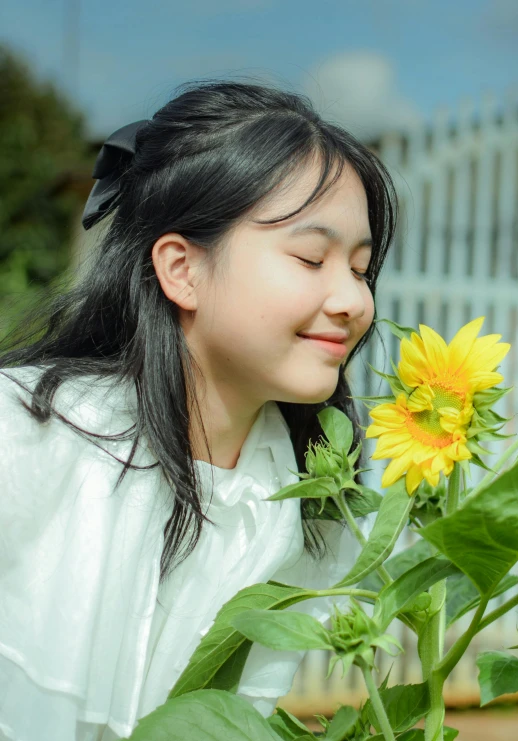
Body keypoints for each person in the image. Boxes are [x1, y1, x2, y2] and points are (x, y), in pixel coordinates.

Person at [0, 78, 397, 740]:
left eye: (359, 269)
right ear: (182, 269)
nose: (352, 301)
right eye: (310, 256)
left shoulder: (305, 513)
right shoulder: (24, 437)